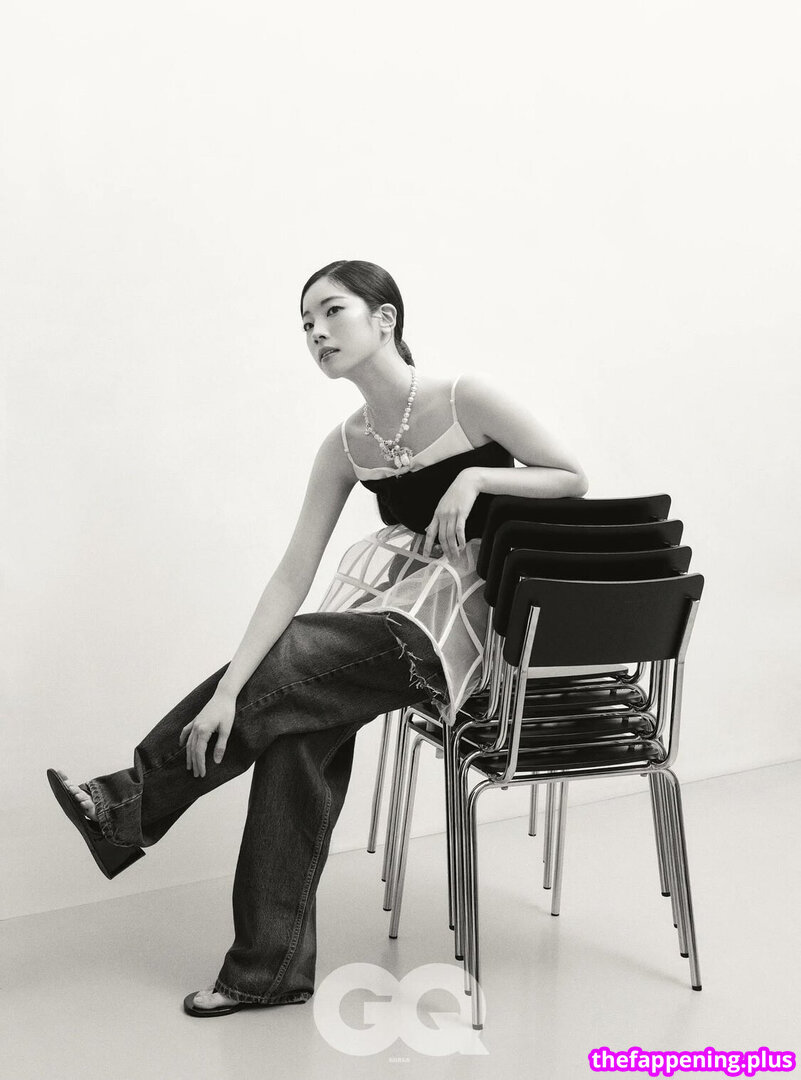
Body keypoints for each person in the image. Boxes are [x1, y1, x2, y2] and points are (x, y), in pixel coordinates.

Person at [47, 258, 588, 1017]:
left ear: (385, 318)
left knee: (303, 656)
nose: (317, 333)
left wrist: (476, 480)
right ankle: (264, 972)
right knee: (296, 741)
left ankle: (128, 803)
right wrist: (228, 693)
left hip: (479, 631)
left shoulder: (467, 398)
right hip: (398, 621)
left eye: (333, 312)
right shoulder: (346, 445)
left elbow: (570, 476)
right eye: (306, 323)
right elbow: (291, 574)